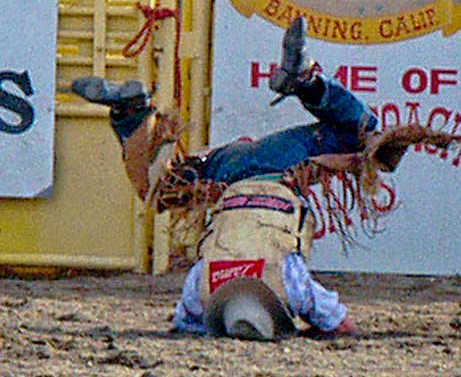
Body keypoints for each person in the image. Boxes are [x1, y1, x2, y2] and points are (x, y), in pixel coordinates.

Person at [70, 17, 403, 339]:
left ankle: (304, 80)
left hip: (274, 170)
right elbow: (186, 324)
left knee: (365, 136)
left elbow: (340, 326)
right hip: (225, 173)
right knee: (162, 189)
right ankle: (132, 116)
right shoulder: (201, 286)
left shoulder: (293, 286)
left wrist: (307, 324)